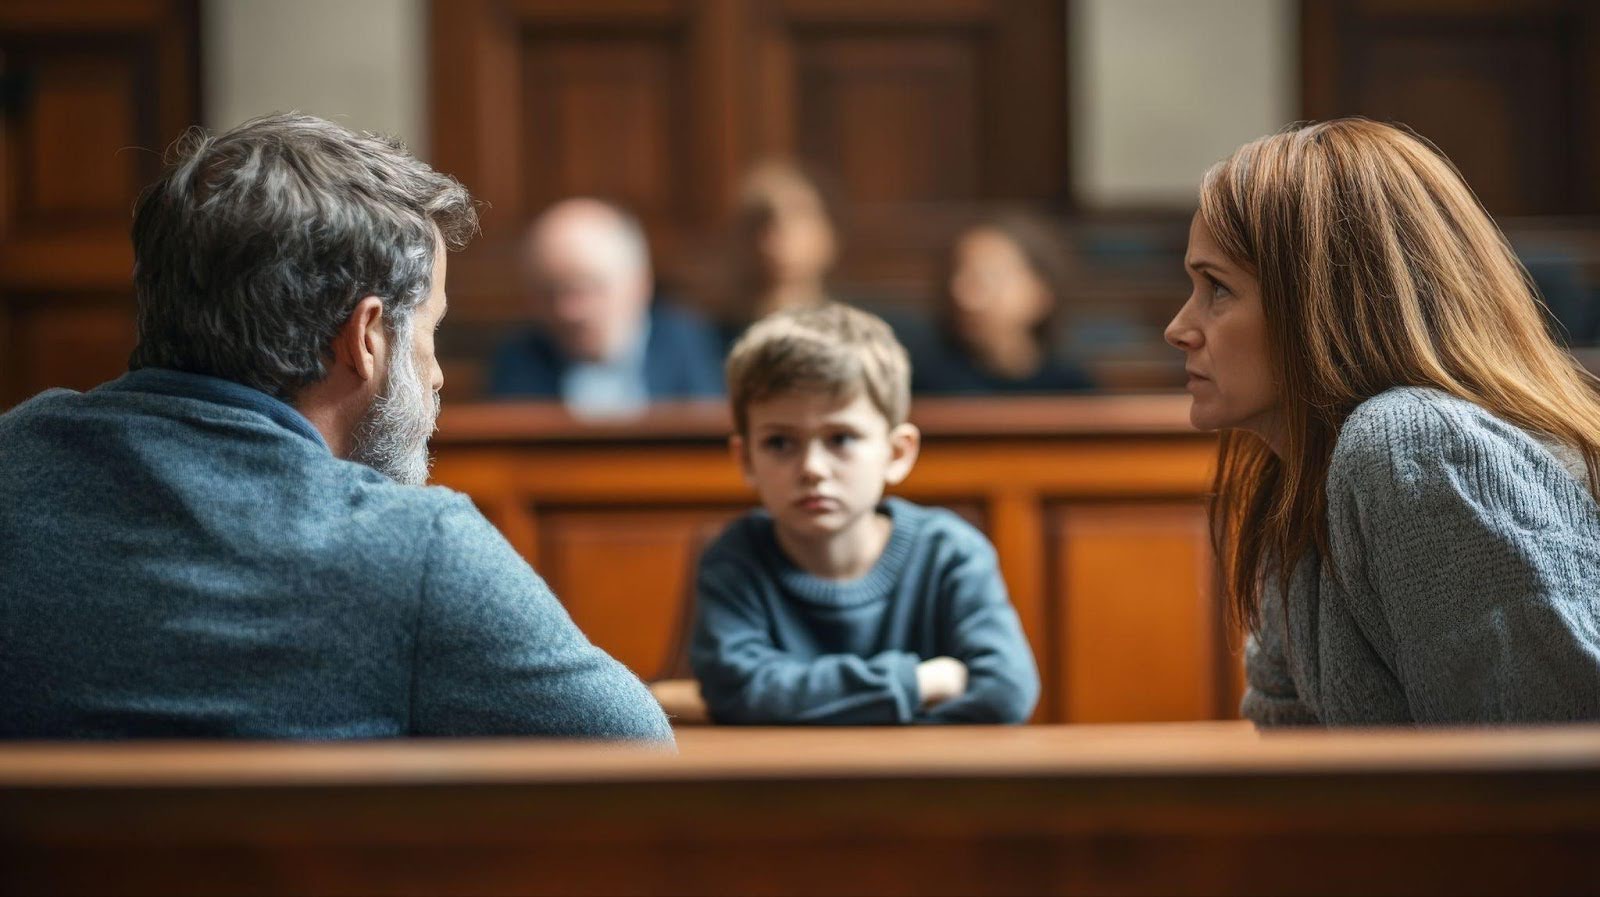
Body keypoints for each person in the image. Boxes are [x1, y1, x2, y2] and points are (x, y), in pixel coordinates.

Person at [0, 113, 673, 742]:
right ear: (368, 337)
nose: (435, 375)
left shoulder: (13, 459)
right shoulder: (418, 552)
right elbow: (637, 750)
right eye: (430, 332)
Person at [1164, 117, 1600, 726]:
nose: (1178, 328)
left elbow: (1542, 782)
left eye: (1217, 289)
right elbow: (1297, 767)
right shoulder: (1295, 470)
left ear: (1324, 301)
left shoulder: (1413, 444)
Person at [690, 303, 1039, 724]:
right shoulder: (734, 559)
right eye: (780, 443)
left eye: (841, 438)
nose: (813, 469)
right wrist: (919, 683)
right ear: (745, 459)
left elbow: (1005, 693)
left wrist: (813, 710)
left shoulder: (951, 553)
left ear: (896, 453)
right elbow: (741, 692)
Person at [487, 198, 723, 415]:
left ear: (639, 283)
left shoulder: (687, 345)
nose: (568, 312)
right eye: (549, 293)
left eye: (585, 288)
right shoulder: (519, 360)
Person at [908, 211, 1093, 395]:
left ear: (1042, 290)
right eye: (959, 276)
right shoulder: (925, 383)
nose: (964, 297)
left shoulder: (1070, 386)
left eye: (990, 278)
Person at [709, 161, 841, 348]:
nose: (775, 240)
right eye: (757, 224)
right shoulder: (700, 344)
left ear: (829, 233)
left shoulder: (870, 343)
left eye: (796, 217)